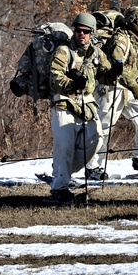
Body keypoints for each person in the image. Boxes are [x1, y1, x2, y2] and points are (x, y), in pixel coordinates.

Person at [44, 13, 113, 204]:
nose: (81, 35)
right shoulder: (64, 51)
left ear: (92, 34)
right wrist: (73, 83)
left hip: (87, 103)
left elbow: (105, 72)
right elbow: (55, 77)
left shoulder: (96, 52)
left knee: (95, 141)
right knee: (64, 146)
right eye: (78, 31)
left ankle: (62, 171)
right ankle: (60, 188)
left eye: (85, 32)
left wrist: (114, 73)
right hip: (64, 103)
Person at [94, 5, 138, 173]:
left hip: (132, 90)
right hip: (114, 88)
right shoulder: (121, 39)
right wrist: (133, 85)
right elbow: (116, 65)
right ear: (132, 22)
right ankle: (93, 166)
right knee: (103, 127)